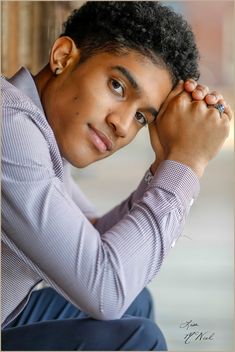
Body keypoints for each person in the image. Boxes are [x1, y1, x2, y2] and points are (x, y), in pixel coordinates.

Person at [1, 2, 233, 351]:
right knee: (136, 337)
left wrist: (166, 163)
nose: (122, 125)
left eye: (142, 117)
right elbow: (104, 288)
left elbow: (90, 239)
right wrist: (186, 164)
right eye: (117, 86)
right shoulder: (10, 128)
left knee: (135, 304)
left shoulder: (40, 128)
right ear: (64, 57)